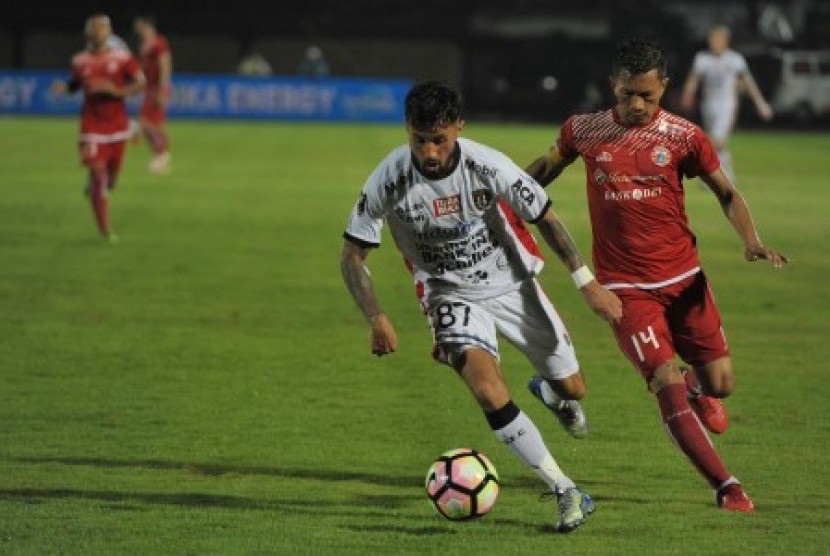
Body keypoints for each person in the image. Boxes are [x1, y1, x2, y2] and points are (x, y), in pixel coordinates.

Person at [341, 81, 622, 532]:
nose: (430, 153)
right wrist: (376, 316)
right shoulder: (389, 179)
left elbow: (544, 215)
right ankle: (565, 489)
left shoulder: (486, 163)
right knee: (488, 391)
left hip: (511, 282)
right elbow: (353, 253)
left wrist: (585, 281)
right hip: (446, 292)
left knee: (574, 388)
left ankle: (550, 393)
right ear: (407, 130)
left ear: (458, 128)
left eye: (439, 139)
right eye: (419, 139)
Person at [526, 39, 788, 513]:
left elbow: (726, 193)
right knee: (662, 378)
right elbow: (544, 170)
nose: (637, 104)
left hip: (686, 280)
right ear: (614, 86)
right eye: (628, 94)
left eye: (647, 95)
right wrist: (506, 197)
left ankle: (697, 386)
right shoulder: (584, 130)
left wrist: (751, 240)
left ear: (663, 87)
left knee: (721, 385)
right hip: (624, 288)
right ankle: (726, 486)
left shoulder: (684, 137)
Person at [51, 14, 145, 243]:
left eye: (103, 28)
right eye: (95, 28)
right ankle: (106, 230)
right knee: (99, 175)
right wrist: (65, 87)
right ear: (88, 33)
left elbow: (140, 83)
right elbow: (76, 84)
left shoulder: (122, 58)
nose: (99, 32)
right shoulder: (80, 60)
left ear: (109, 32)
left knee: (111, 180)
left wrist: (117, 92)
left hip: (116, 126)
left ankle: (97, 185)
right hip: (91, 127)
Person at [680, 25, 774, 183]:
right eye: (711, 40)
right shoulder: (702, 58)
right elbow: (694, 79)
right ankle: (725, 175)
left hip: (727, 105)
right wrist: (687, 95)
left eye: (716, 40)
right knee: (716, 141)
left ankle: (708, 174)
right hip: (708, 104)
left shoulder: (734, 59)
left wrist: (760, 104)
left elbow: (748, 82)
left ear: (725, 41)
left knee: (717, 140)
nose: (713, 43)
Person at [133, 15, 172, 173]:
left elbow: (165, 64)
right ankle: (161, 155)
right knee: (155, 124)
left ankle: (161, 154)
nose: (136, 29)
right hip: (149, 88)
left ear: (146, 25)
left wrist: (163, 88)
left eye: (138, 25)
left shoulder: (159, 43)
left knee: (144, 122)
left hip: (157, 88)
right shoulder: (145, 45)